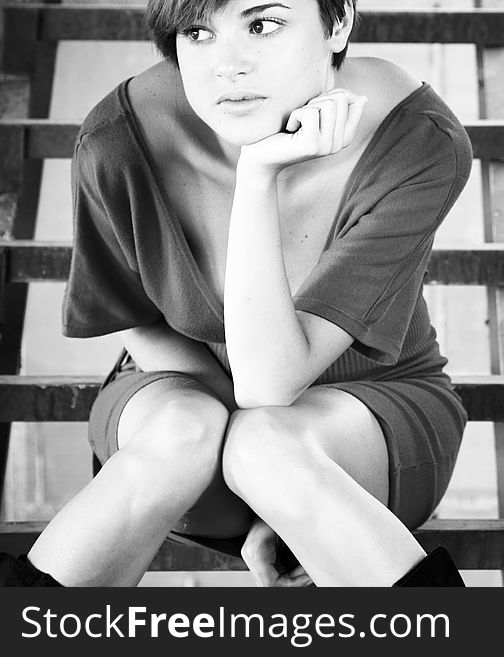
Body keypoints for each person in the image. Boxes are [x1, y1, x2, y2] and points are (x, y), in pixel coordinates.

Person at [0, 0, 471, 587]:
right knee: (186, 432)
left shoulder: (418, 140)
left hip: (367, 422)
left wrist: (257, 179)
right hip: (178, 391)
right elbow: (127, 312)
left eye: (263, 24)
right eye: (199, 32)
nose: (228, 65)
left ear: (339, 21)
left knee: (267, 445)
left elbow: (271, 385)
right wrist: (246, 472)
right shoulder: (119, 136)